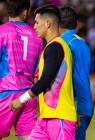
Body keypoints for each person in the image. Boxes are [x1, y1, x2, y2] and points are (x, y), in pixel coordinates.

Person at [10, 5, 77, 140]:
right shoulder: (52, 47)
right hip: (45, 119)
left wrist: (21, 100)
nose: (34, 26)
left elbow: (46, 80)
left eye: (37, 22)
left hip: (60, 118)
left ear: (47, 23)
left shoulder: (55, 46)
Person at [0, 0, 43, 139]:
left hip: (6, 93)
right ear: (25, 11)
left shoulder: (2, 31)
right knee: (28, 137)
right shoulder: (37, 36)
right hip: (28, 95)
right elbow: (38, 73)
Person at [59, 6, 94, 140]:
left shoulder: (64, 44)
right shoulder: (82, 43)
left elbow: (66, 77)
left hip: (73, 106)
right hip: (86, 104)